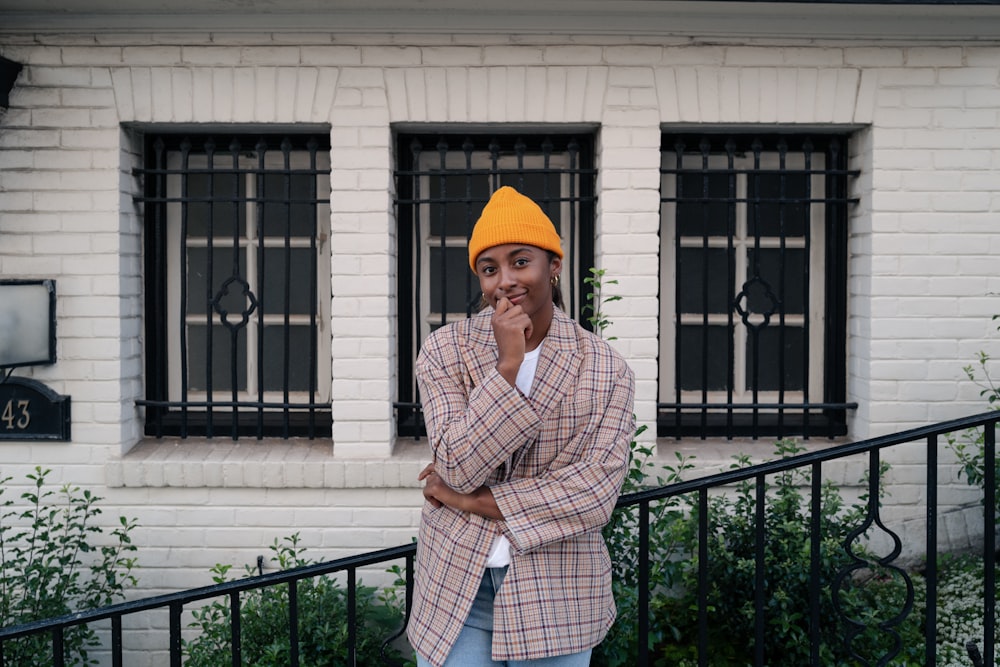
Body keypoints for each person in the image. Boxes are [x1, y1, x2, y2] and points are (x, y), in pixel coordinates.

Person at [406, 186, 636, 667]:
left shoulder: (604, 367)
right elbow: (458, 463)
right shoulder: (446, 351)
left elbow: (593, 494)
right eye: (489, 269)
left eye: (520, 261)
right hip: (456, 589)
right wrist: (507, 365)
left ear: (553, 264)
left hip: (559, 589)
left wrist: (464, 500)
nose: (505, 280)